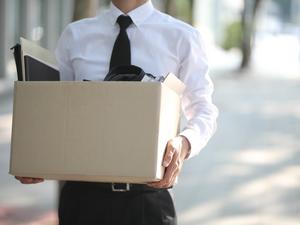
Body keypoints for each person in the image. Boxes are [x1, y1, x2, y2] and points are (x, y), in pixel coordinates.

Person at [15, 0, 218, 224]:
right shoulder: (75, 35)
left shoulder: (183, 37)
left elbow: (204, 110)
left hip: (149, 200)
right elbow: (53, 112)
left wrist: (185, 143)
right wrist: (33, 154)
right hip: (81, 199)